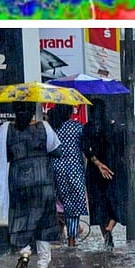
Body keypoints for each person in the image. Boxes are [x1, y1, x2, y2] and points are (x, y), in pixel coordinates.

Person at [0, 101, 62, 268]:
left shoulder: (6, 129)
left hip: (19, 181)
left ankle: (24, 252)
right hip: (43, 180)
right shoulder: (44, 127)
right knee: (44, 224)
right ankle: (43, 267)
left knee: (20, 218)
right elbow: (57, 151)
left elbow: (3, 154)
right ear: (33, 110)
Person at [82, 98, 128, 249]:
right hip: (114, 169)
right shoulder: (114, 128)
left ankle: (106, 238)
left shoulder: (88, 128)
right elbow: (122, 149)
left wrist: (98, 164)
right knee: (116, 202)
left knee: (100, 205)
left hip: (95, 172)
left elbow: (85, 148)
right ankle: (109, 229)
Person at [47, 104, 88, 246]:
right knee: (73, 206)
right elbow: (84, 146)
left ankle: (57, 236)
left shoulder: (52, 128)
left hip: (55, 169)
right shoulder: (77, 127)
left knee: (58, 203)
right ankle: (72, 239)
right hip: (74, 170)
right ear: (70, 112)